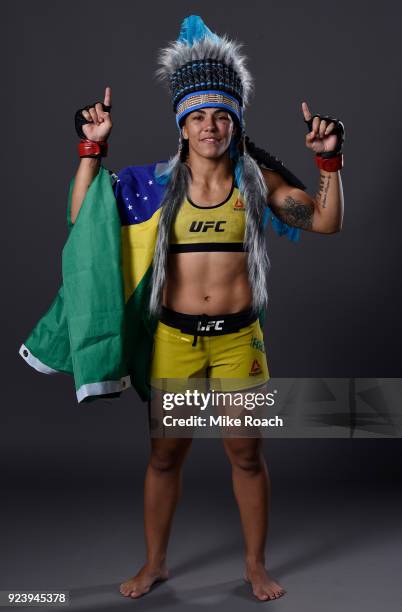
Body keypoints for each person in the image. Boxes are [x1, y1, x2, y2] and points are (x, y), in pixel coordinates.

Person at [22, 15, 344, 603]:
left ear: (236, 120)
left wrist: (329, 161)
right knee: (165, 455)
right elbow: (84, 215)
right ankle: (155, 565)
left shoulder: (256, 181)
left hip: (237, 342)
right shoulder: (152, 185)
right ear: (182, 125)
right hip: (175, 339)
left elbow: (324, 220)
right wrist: (92, 149)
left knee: (246, 455)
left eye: (221, 115)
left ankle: (254, 565)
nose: (210, 126)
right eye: (197, 116)